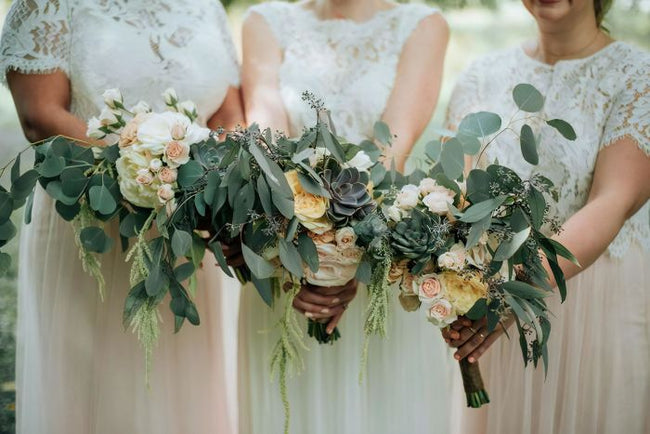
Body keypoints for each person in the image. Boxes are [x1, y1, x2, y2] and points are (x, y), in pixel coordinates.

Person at [0, 1, 243, 432]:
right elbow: (39, 116)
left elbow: (228, 112)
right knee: (98, 391)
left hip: (192, 228)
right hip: (92, 219)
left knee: (186, 386)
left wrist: (210, 185)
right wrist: (150, 170)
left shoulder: (205, 7)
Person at [236, 0, 452, 432]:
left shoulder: (423, 25)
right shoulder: (265, 21)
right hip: (288, 256)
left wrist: (344, 257)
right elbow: (269, 145)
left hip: (377, 254)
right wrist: (303, 254)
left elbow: (391, 146)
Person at [442, 0, 650, 432]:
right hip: (487, 312)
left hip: (593, 306)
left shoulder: (637, 76)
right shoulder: (481, 76)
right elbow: (451, 200)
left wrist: (510, 297)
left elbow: (613, 201)